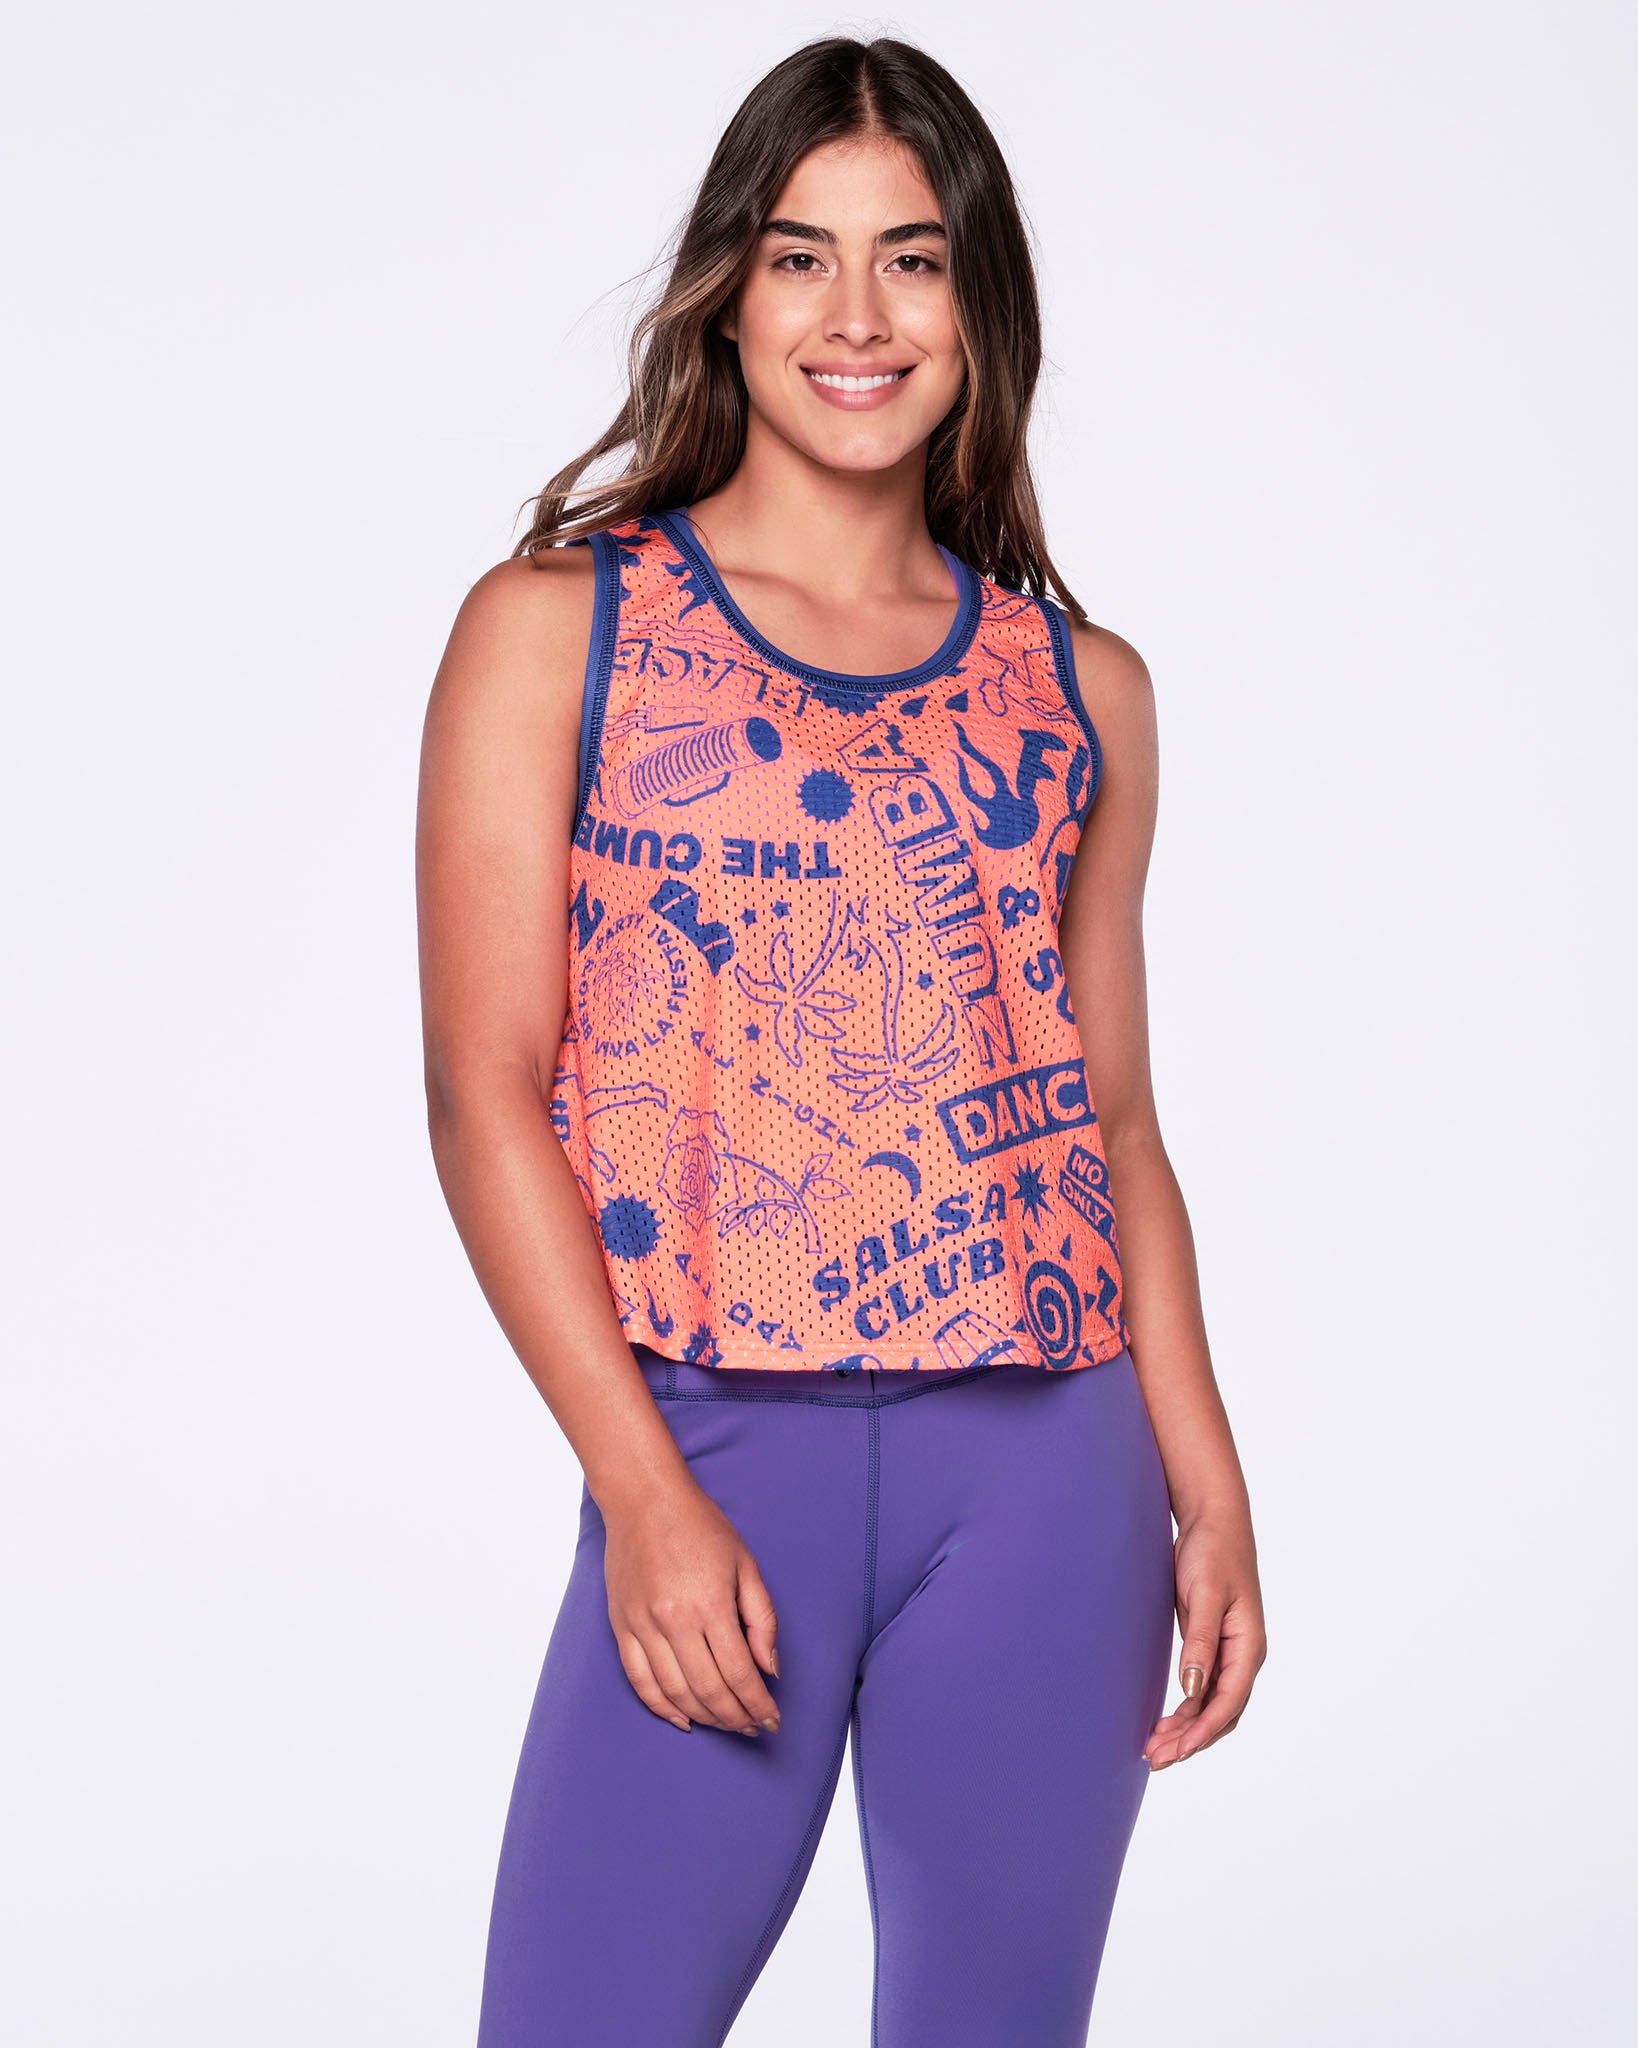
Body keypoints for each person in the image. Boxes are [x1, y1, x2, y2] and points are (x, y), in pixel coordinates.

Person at [416, 34, 1266, 2048]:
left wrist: (1207, 1473)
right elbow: (483, 1091)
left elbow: (1114, 1122)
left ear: (980, 305)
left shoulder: (1083, 689)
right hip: (712, 1445)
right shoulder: (558, 630)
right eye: (803, 257)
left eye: (913, 258)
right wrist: (638, 1486)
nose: (858, 316)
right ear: (730, 289)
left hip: (1050, 1477)